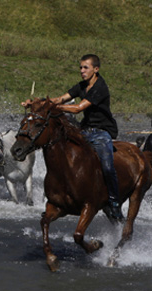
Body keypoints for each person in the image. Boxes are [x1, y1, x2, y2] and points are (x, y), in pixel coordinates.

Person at [24, 54, 123, 221]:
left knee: (107, 167)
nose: (82, 71)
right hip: (84, 130)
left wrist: (53, 108)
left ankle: (114, 202)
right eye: (80, 67)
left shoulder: (100, 87)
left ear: (96, 69)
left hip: (102, 132)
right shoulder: (82, 85)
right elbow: (61, 98)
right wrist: (39, 104)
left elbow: (78, 108)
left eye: (85, 67)